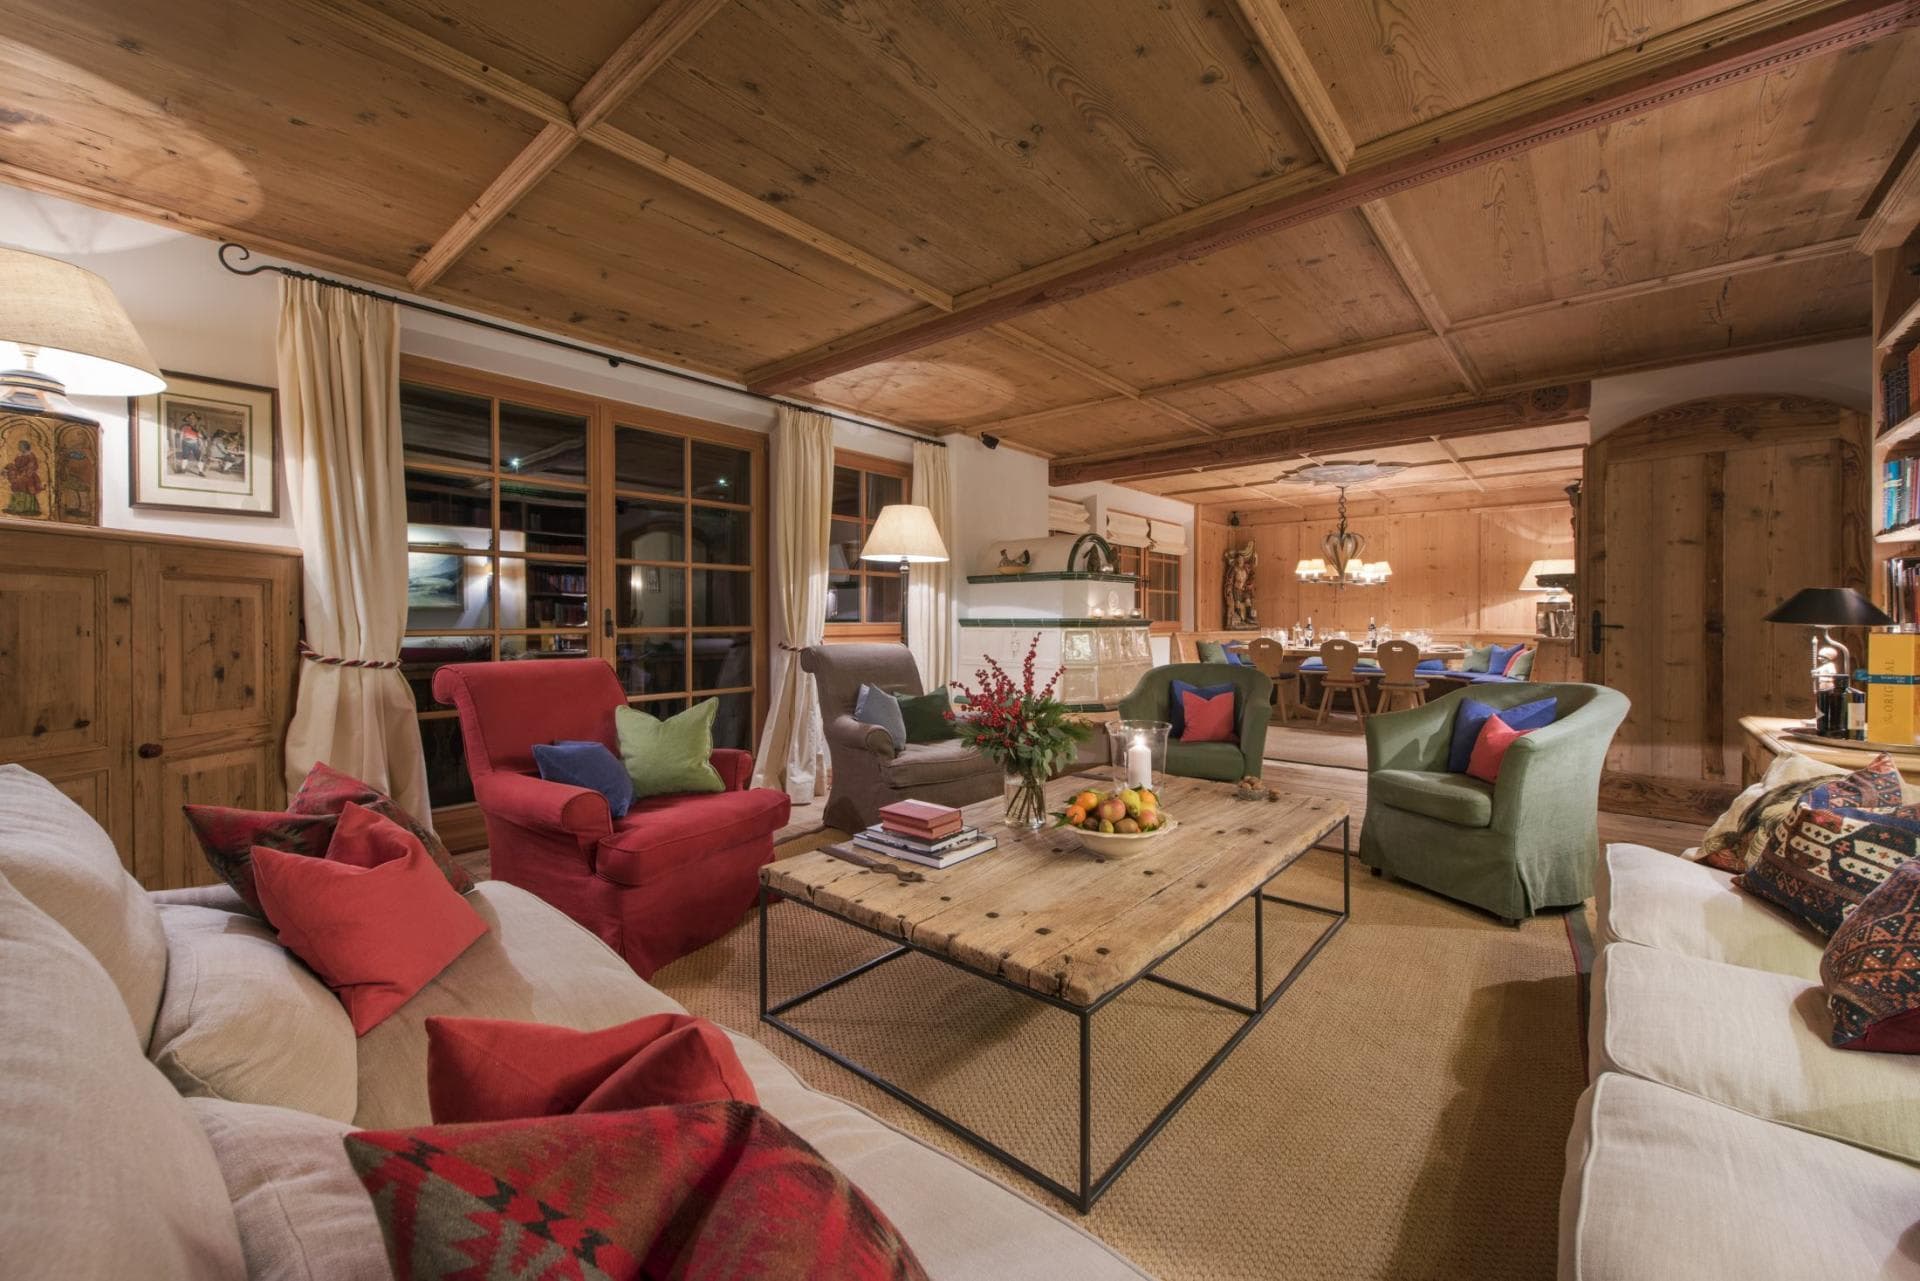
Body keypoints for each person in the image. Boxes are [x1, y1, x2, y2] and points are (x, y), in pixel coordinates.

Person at [3, 439, 43, 517]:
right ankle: (16, 507)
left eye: (20, 446)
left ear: (25, 446)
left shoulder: (31, 455)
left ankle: (27, 508)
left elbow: (32, 466)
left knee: (23, 481)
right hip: (20, 473)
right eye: (19, 446)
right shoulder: (19, 455)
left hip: (29, 475)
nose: (19, 447)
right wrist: (8, 468)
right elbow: (16, 465)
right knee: (16, 480)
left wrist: (24, 473)